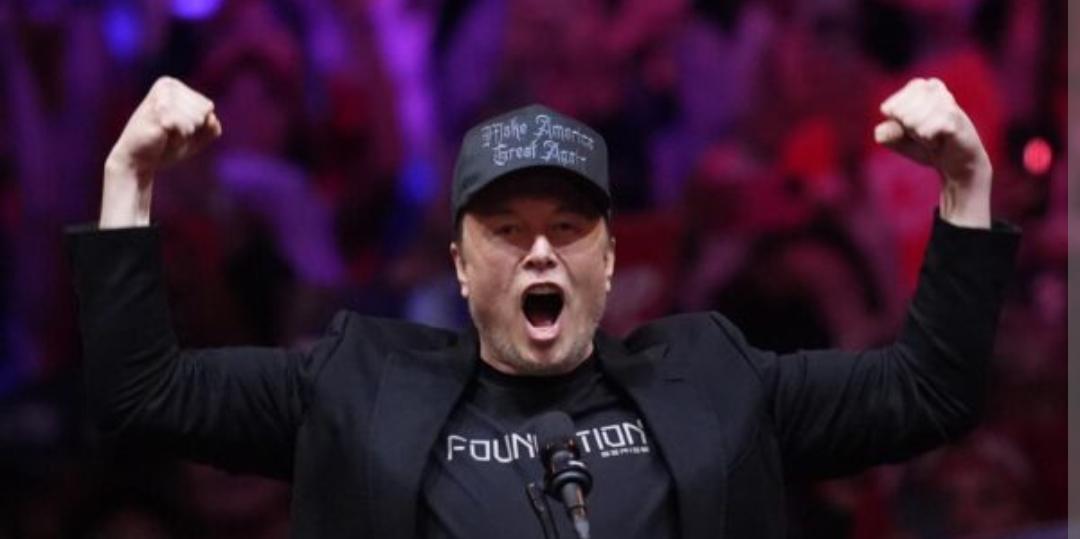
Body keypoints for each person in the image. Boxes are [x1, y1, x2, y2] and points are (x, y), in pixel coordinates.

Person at [68, 76, 1018, 538]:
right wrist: (128, 178)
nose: (538, 250)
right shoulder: (354, 384)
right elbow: (142, 392)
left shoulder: (717, 378)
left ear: (609, 259)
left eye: (568, 226)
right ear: (459, 263)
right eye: (504, 229)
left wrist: (966, 184)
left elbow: (929, 390)